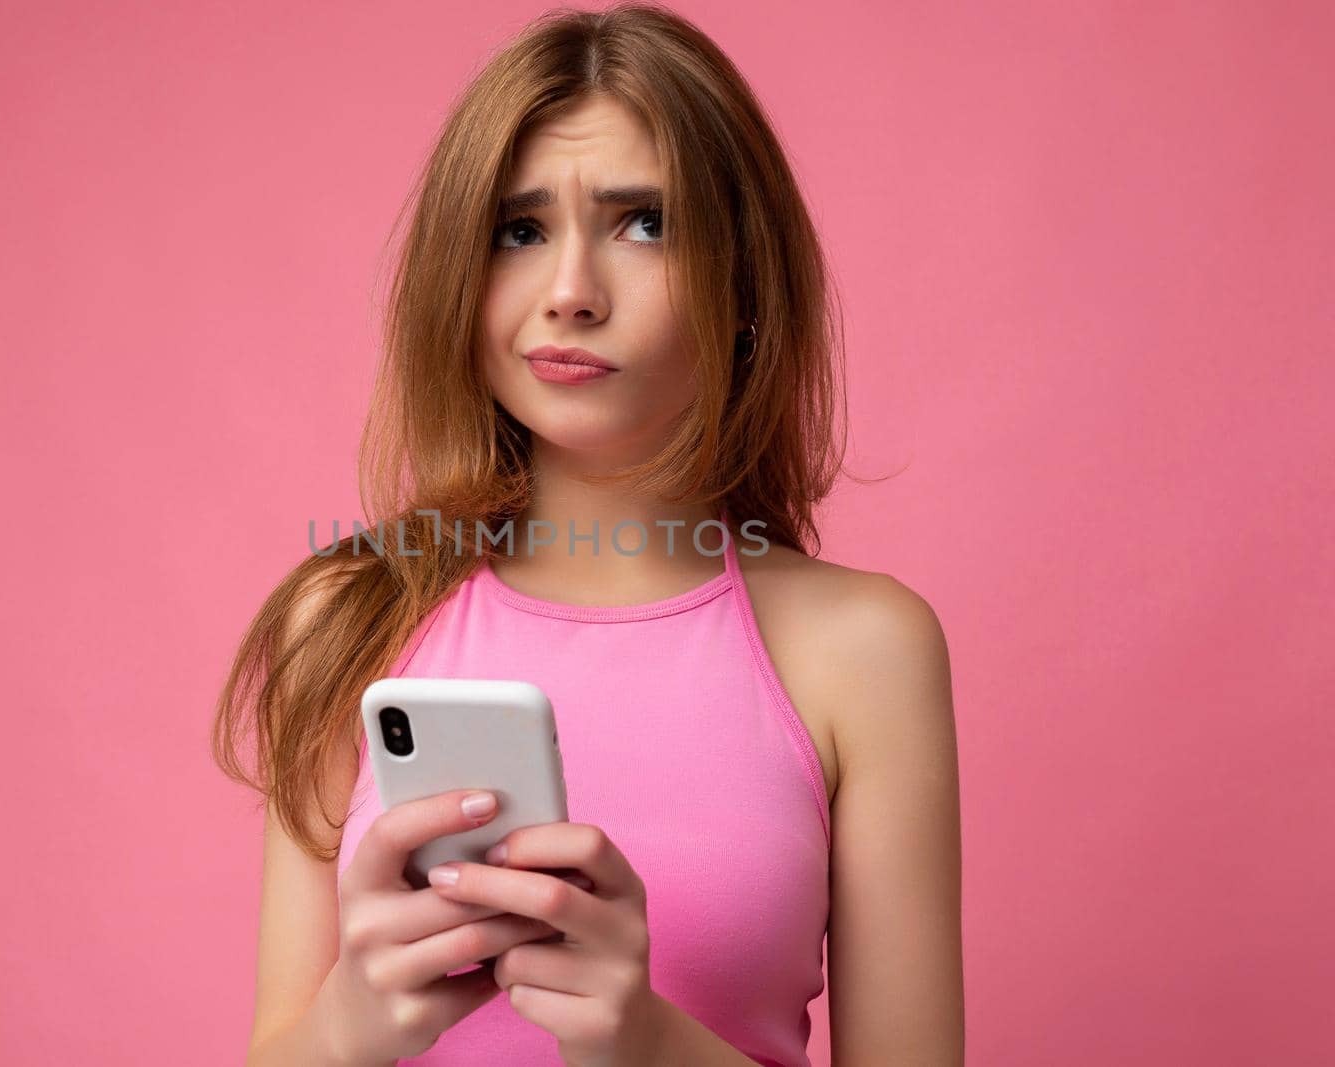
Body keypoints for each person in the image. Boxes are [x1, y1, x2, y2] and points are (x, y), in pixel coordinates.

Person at [214, 4, 963, 1064]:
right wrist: (351, 1023)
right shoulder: (342, 615)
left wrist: (644, 1035)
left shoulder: (863, 649)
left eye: (643, 222)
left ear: (746, 287)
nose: (568, 293)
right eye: (519, 231)